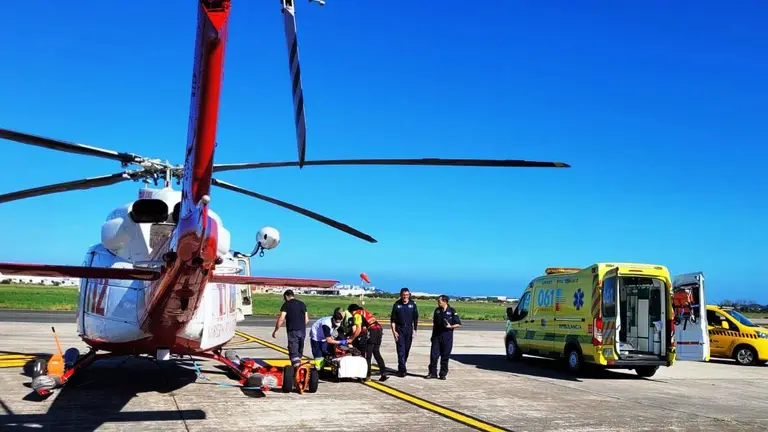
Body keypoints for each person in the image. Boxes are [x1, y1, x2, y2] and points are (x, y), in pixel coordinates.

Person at [348, 303, 389, 382]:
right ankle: (384, 373)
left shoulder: (357, 315)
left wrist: (351, 339)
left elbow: (358, 329)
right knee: (376, 352)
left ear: (352, 311)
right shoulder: (364, 312)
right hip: (379, 329)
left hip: (372, 331)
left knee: (368, 355)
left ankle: (367, 375)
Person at [426, 295, 461, 380]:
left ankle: (443, 374)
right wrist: (432, 335)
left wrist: (451, 326)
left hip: (447, 337)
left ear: (445, 302)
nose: (438, 302)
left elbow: (458, 324)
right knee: (434, 356)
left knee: (445, 357)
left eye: (439, 301)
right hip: (437, 336)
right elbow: (434, 324)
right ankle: (432, 373)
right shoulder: (437, 310)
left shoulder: (452, 311)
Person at [272, 289, 309, 368]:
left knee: (293, 351)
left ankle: (296, 370)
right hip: (302, 331)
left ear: (286, 296)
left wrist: (275, 330)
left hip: (293, 330)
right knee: (299, 350)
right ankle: (300, 367)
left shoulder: (286, 304)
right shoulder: (302, 304)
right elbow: (307, 320)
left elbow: (281, 319)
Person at [390, 287, 418, 377]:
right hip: (399, 330)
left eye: (407, 295)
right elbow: (393, 320)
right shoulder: (396, 305)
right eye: (403, 295)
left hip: (409, 330)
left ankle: (402, 365)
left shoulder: (413, 305)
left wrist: (415, 330)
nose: (405, 297)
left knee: (406, 350)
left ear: (409, 295)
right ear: (401, 295)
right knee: (401, 350)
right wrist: (394, 331)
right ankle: (402, 370)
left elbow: (415, 319)